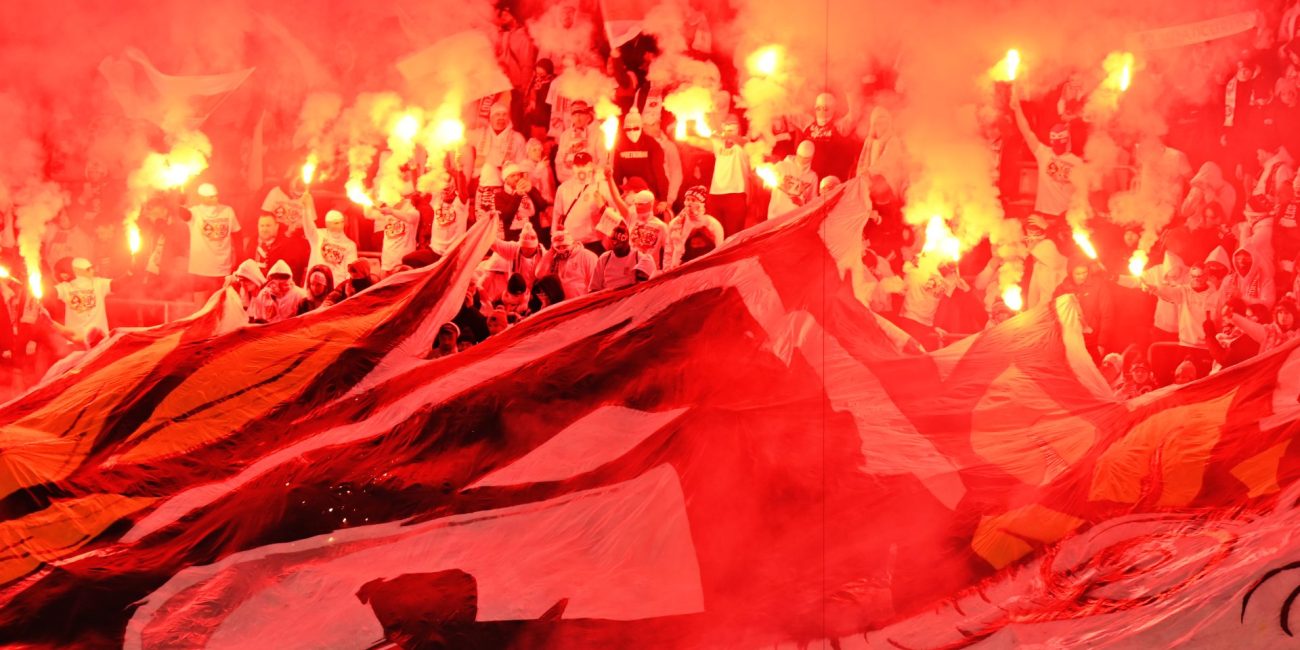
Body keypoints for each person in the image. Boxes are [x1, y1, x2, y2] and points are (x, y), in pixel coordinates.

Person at [1011, 85, 1082, 217]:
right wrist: (1017, 109)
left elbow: (1027, 132)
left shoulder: (1075, 162)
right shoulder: (1044, 153)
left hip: (1063, 218)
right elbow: (1026, 132)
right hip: (1045, 215)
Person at [184, 183, 242, 304]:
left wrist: (239, 258)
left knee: (220, 304)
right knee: (200, 305)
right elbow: (183, 214)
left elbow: (237, 234)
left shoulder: (227, 211)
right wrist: (180, 199)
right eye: (211, 197)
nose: (215, 198)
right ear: (201, 198)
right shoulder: (194, 212)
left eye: (216, 195)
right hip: (200, 268)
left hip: (222, 268)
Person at [552, 152, 616, 253]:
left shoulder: (601, 185)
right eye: (577, 166)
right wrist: (554, 238)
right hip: (570, 242)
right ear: (573, 167)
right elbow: (557, 215)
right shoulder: (563, 188)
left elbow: (614, 213)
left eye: (584, 165)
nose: (581, 169)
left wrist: (603, 206)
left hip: (594, 241)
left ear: (591, 166)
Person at [1053, 259, 1114, 362]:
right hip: (1072, 343)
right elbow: (1055, 317)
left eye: (1085, 272)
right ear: (1071, 273)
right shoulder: (1062, 290)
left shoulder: (1098, 285)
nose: (1082, 276)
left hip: (1093, 341)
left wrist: (1102, 343)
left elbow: (1107, 314)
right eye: (1078, 274)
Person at [302, 192, 359, 286]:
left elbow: (350, 271)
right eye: (335, 223)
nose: (339, 225)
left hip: (336, 287)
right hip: (315, 285)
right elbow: (308, 226)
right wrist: (306, 208)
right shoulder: (318, 236)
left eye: (341, 222)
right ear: (327, 224)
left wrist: (345, 288)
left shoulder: (350, 245)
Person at [612, 108, 669, 201]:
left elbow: (660, 174)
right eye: (628, 129)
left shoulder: (652, 144)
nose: (632, 132)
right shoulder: (620, 146)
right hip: (631, 192)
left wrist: (663, 199)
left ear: (641, 127)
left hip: (651, 191)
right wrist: (618, 197)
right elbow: (617, 176)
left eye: (635, 128)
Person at [707, 115, 750, 236]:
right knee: (717, 236)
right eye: (726, 125)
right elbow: (700, 142)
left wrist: (726, 134)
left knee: (733, 236)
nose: (728, 128)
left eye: (732, 127)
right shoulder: (719, 144)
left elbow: (742, 142)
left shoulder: (744, 144)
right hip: (715, 196)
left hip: (735, 195)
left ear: (738, 129)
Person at [665, 186, 725, 270]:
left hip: (705, 269)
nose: (689, 204)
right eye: (687, 199)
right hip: (678, 269)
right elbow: (668, 250)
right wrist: (666, 270)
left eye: (693, 200)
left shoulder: (713, 224)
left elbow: (719, 252)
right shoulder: (676, 223)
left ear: (702, 204)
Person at [54, 258, 112, 341]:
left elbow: (116, 284)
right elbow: (51, 293)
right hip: (77, 341)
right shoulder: (64, 287)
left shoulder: (98, 283)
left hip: (99, 339)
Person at [854, 106, 907, 197]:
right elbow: (862, 160)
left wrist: (871, 172)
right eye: (877, 123)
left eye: (883, 123)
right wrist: (861, 173)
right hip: (869, 181)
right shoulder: (869, 141)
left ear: (888, 123)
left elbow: (888, 160)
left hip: (886, 183)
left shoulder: (893, 140)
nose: (880, 126)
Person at [467, 103, 527, 183]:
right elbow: (461, 135)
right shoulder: (479, 134)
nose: (501, 118)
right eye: (497, 114)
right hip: (480, 179)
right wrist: (477, 120)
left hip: (505, 181)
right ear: (491, 118)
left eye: (504, 114)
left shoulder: (517, 138)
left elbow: (522, 163)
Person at [588, 220, 653, 292]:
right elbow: (594, 288)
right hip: (609, 296)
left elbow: (644, 288)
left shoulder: (639, 257)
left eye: (619, 241)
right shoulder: (604, 258)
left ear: (627, 240)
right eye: (613, 240)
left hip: (630, 296)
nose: (616, 244)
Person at [538, 230, 598, 299]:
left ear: (574, 243)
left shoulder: (587, 256)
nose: (561, 249)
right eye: (558, 247)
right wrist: (551, 251)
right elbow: (539, 274)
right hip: (564, 303)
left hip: (584, 301)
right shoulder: (555, 259)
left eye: (565, 246)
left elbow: (596, 284)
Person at [488, 222, 547, 290]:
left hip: (536, 289)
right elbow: (492, 241)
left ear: (536, 246)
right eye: (525, 248)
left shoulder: (544, 255)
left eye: (530, 249)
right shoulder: (513, 248)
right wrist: (487, 224)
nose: (527, 251)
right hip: (516, 289)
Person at [768, 140, 818, 220]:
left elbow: (812, 201)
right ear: (797, 153)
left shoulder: (812, 177)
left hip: (796, 219)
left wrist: (802, 203)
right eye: (800, 156)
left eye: (806, 158)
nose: (802, 160)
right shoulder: (781, 166)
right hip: (775, 216)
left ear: (811, 157)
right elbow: (768, 179)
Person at [374, 190, 421, 275]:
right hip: (387, 264)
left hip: (404, 264)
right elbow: (369, 214)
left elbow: (409, 218)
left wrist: (391, 211)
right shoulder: (388, 213)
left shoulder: (413, 212)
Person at [1025, 219, 1068, 309]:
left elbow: (1049, 296)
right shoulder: (1038, 265)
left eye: (1036, 235)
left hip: (1056, 308)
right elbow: (1034, 293)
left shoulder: (1050, 251)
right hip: (1045, 309)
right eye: (1029, 237)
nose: (1030, 241)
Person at [250, 260, 309, 324]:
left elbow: (305, 320)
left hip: (291, 329)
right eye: (276, 277)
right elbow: (258, 318)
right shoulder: (263, 294)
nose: (278, 280)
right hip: (269, 329)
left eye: (282, 277)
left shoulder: (299, 295)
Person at [555, 101, 601, 183]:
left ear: (588, 116)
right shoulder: (565, 136)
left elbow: (602, 160)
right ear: (571, 117)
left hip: (591, 181)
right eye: (575, 115)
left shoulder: (597, 134)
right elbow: (559, 161)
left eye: (581, 114)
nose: (578, 118)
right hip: (568, 181)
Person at [430, 175, 468, 259]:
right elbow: (420, 186)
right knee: (408, 259)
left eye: (448, 189)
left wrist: (459, 171)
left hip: (453, 255)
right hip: (435, 251)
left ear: (455, 189)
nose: (446, 193)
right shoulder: (436, 200)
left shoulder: (460, 203)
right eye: (444, 190)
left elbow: (462, 189)